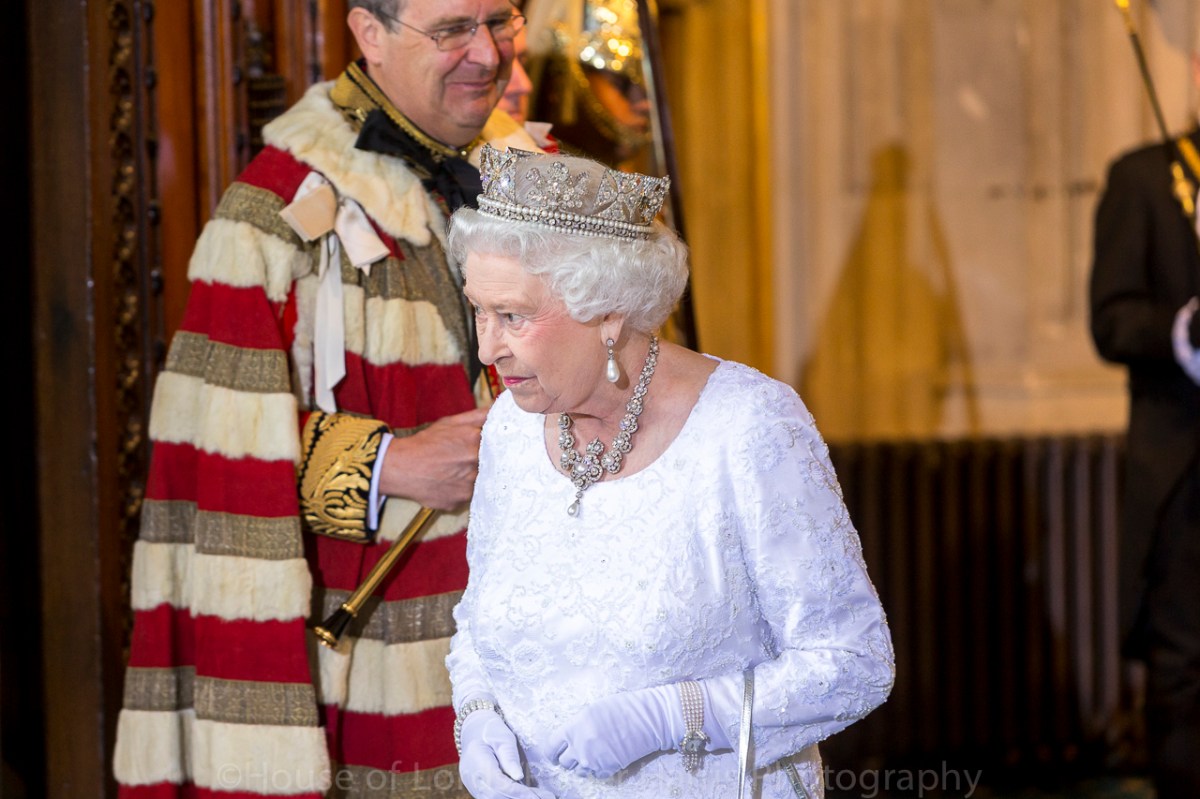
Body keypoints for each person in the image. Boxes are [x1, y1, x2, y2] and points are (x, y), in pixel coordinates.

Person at [112, 2, 540, 797]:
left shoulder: (544, 182)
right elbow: (210, 462)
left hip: (543, 653)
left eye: (501, 20)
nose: (487, 53)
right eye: (452, 29)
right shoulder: (269, 216)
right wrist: (386, 463)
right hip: (380, 665)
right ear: (369, 33)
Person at [444, 146, 895, 799]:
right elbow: (479, 619)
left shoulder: (747, 427)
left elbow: (852, 663)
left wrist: (671, 717)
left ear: (607, 312)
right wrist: (477, 716)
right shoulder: (509, 429)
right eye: (478, 311)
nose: (488, 347)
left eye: (512, 315)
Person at [1090, 116, 1200, 795]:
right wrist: (1183, 326)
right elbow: (1112, 319)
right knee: (1185, 663)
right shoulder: (1144, 177)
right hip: (1184, 464)